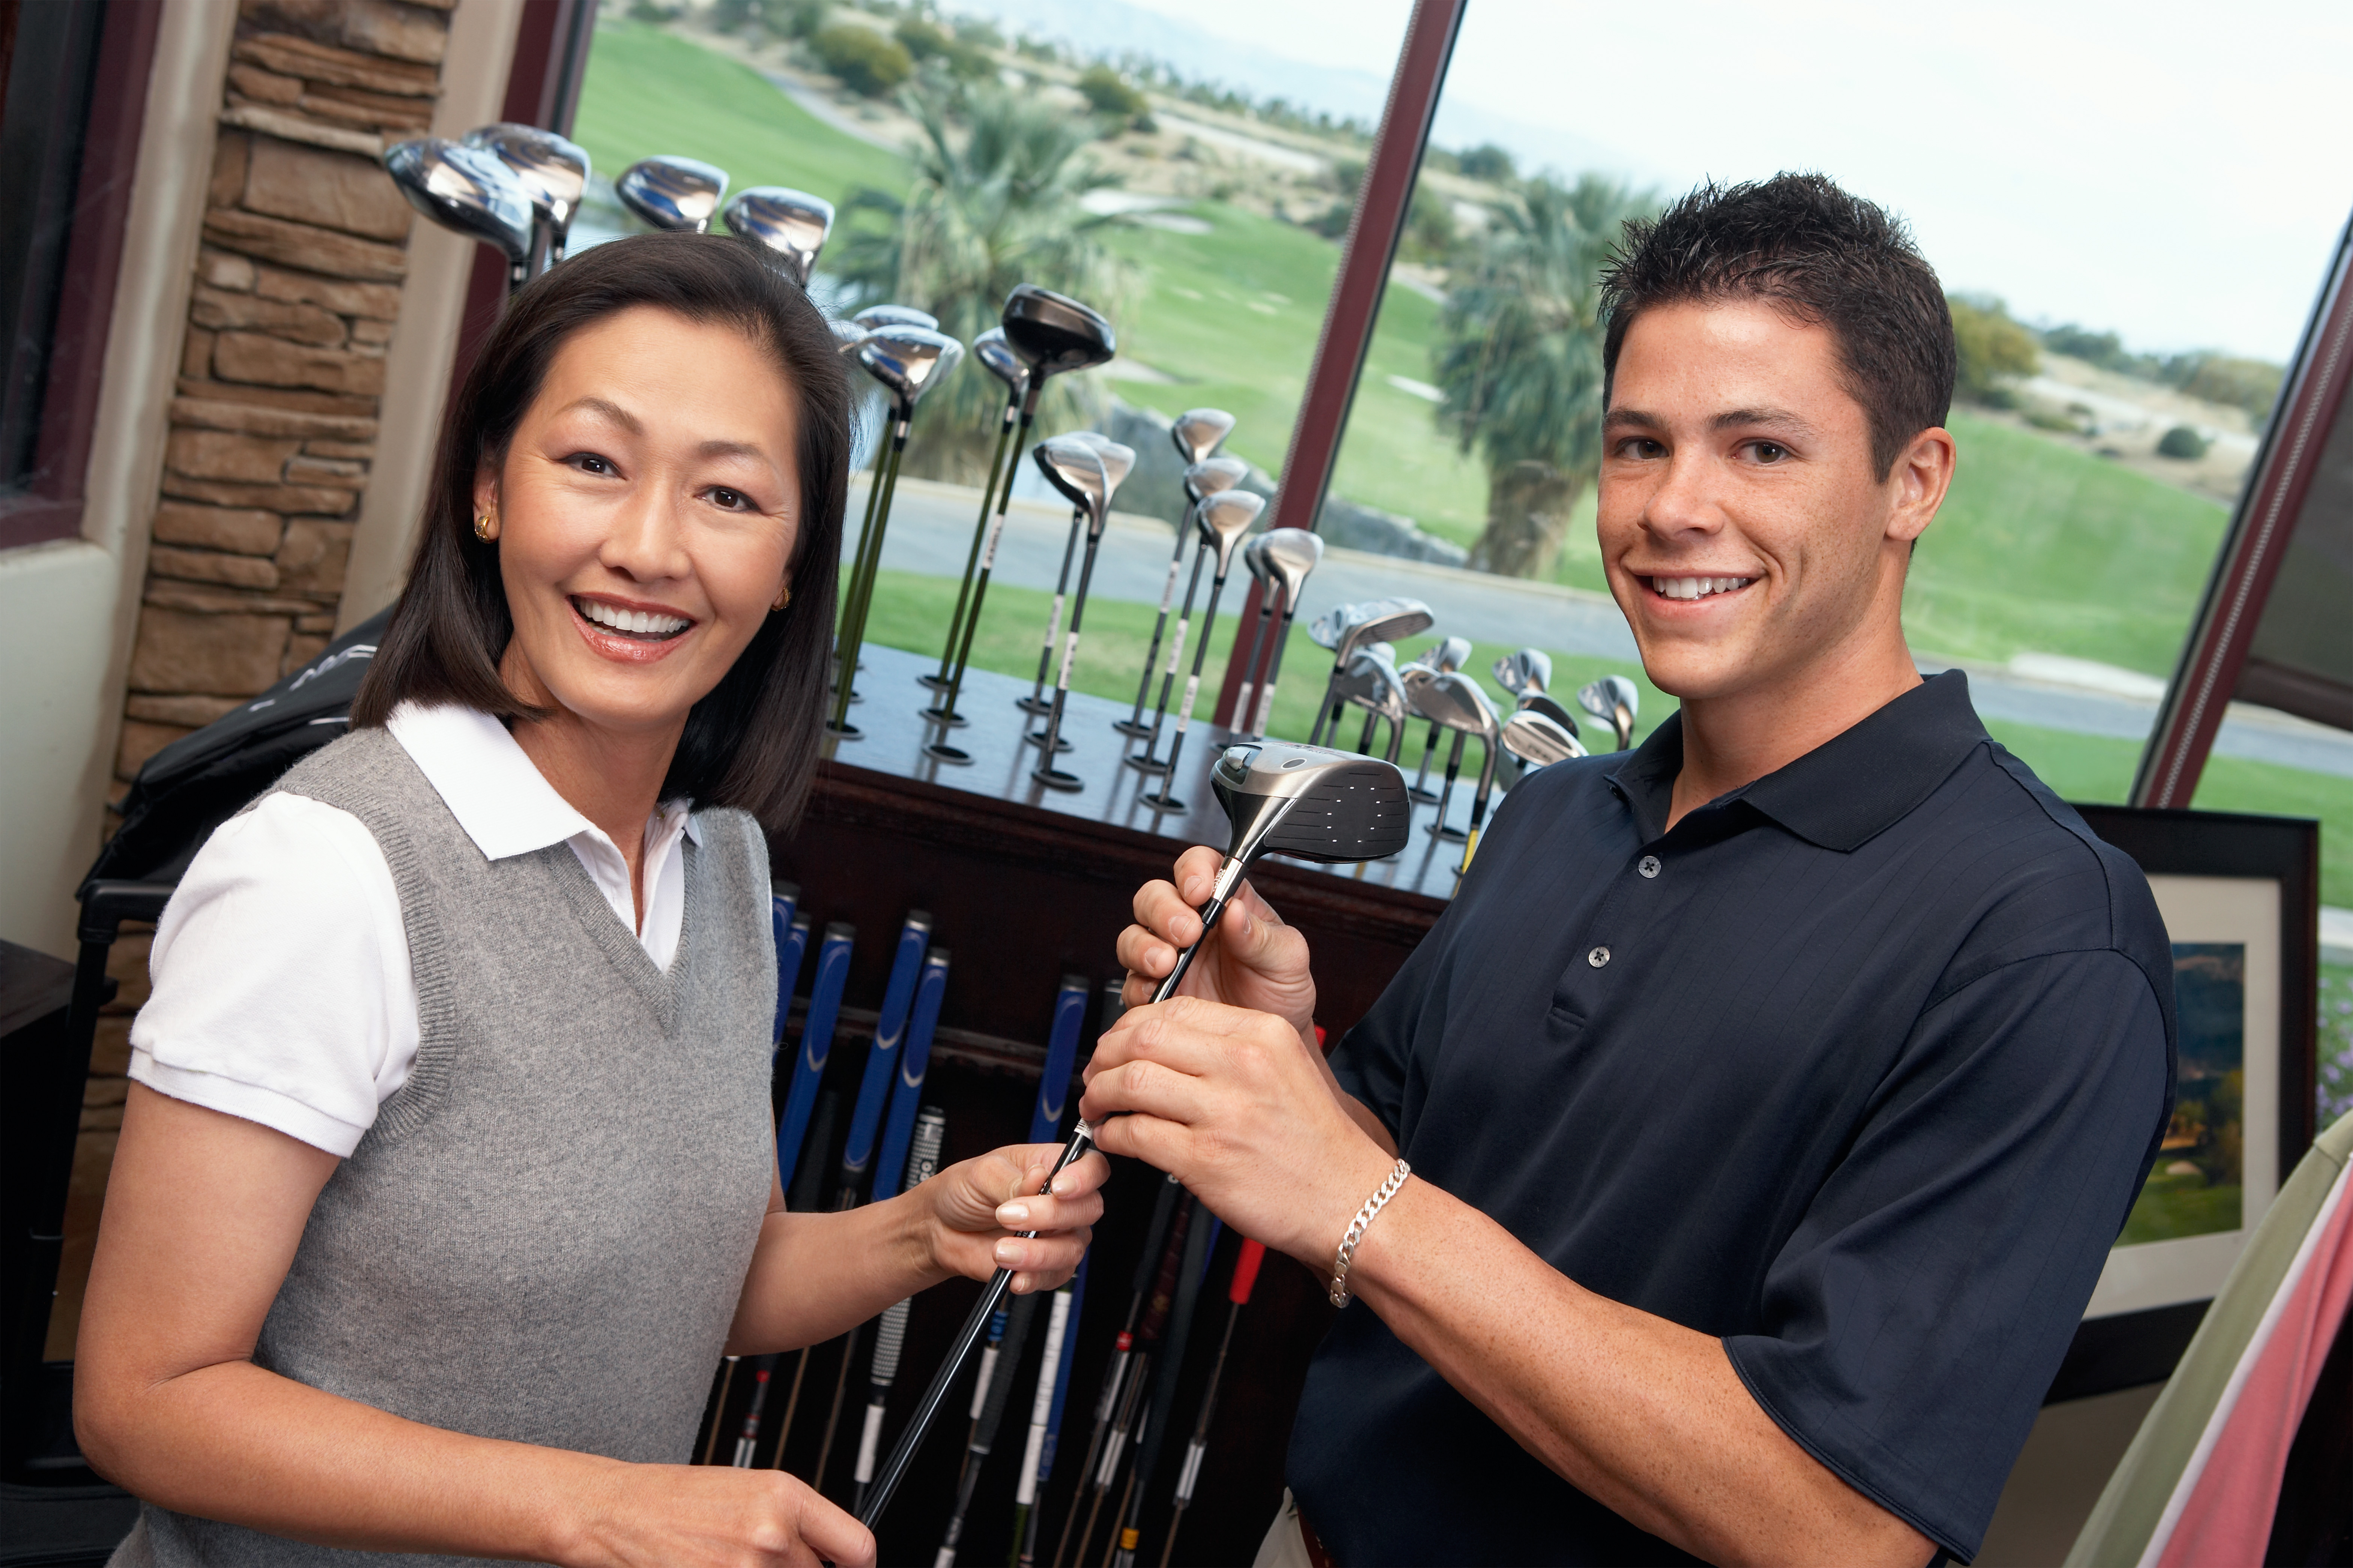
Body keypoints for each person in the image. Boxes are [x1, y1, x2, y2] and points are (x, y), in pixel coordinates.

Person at [1089, 175, 2175, 1566]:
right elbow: (1371, 1204)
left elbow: (1838, 1521)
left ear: (1916, 481)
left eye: (1761, 449)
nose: (1676, 508)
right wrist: (1277, 1064)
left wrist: (1362, 1206)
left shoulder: (2046, 945)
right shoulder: (1557, 814)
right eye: (1639, 443)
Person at [75, 234, 1106, 1568]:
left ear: (793, 564)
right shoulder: (328, 874)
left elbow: (685, 1283)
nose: (649, 548)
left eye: (730, 497)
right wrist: (599, 1505)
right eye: (593, 464)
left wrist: (926, 1228)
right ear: (489, 488)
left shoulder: (718, 864)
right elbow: (145, 1402)